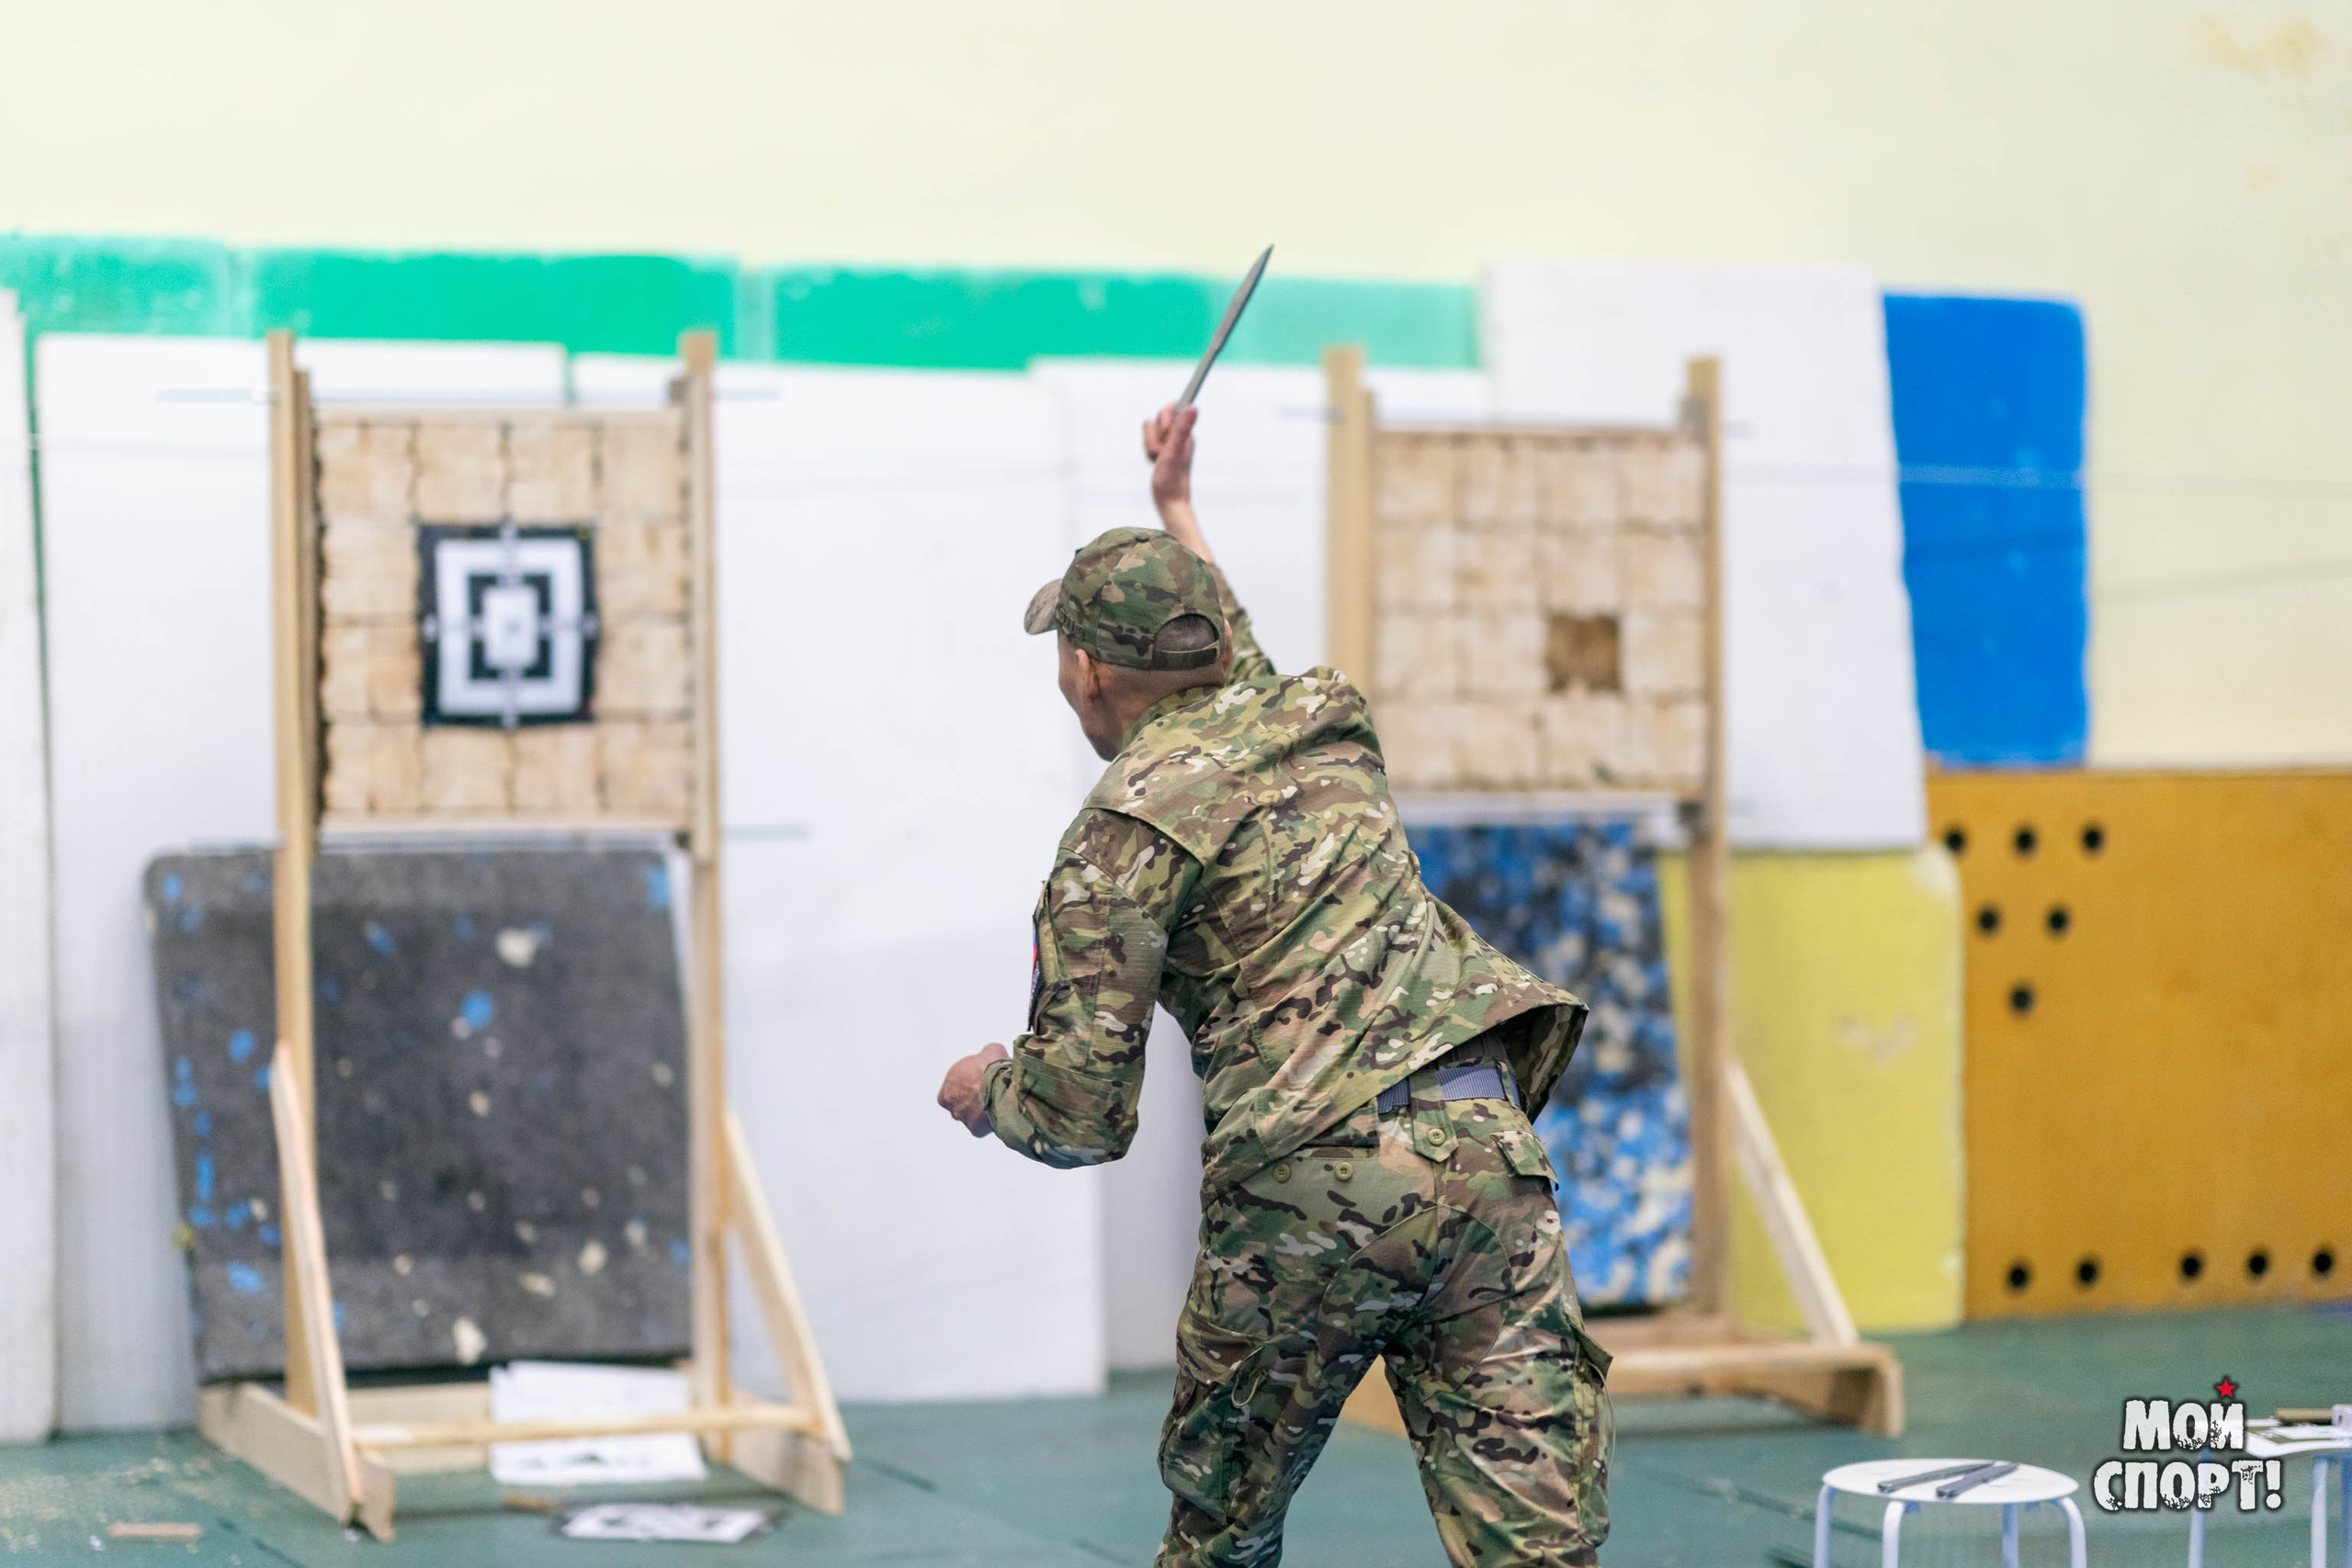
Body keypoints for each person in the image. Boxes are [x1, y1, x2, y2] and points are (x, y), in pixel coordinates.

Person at [936, 402, 1612, 1567]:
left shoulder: (1114, 842)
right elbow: (1224, 647)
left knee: (1222, 1540)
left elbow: (1080, 1117)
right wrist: (1177, 505)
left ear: (1089, 670)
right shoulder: (1319, 717)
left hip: (1312, 1197)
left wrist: (989, 1091)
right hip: (1484, 1150)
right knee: (1540, 1550)